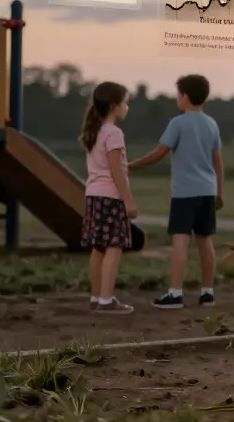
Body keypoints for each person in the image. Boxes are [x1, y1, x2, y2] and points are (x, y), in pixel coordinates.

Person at [128, 74, 225, 309]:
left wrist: (131, 165)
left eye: (178, 94)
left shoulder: (178, 123)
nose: (176, 98)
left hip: (184, 193)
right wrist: (220, 192)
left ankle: (175, 293)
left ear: (185, 96)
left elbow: (159, 153)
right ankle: (208, 292)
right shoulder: (211, 123)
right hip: (207, 191)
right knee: (205, 241)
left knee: (180, 241)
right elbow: (218, 162)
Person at [79, 81, 138, 315]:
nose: (126, 107)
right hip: (111, 198)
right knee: (115, 246)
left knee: (99, 248)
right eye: (125, 102)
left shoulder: (95, 131)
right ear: (114, 106)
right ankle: (106, 300)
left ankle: (96, 297)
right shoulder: (114, 133)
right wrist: (129, 201)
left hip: (93, 196)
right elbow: (115, 171)